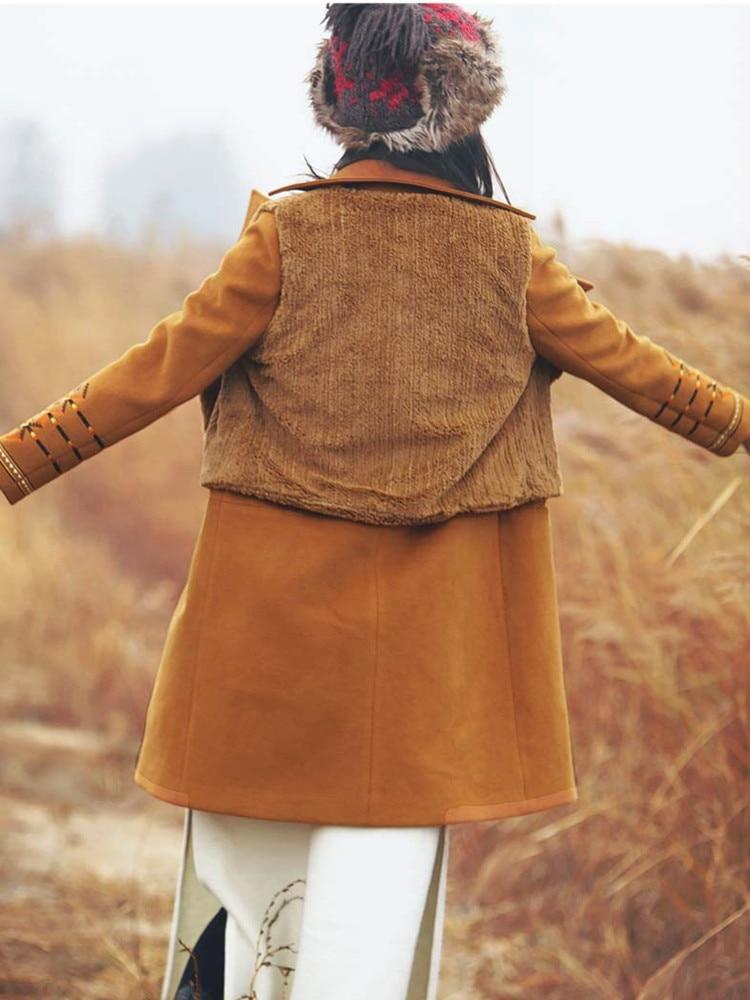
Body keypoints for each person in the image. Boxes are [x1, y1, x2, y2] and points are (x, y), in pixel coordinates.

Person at [2, 4, 749, 999]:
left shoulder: (286, 237)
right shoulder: (512, 258)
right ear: (463, 108)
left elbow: (150, 373)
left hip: (266, 658)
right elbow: (649, 376)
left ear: (340, 102)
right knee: (368, 940)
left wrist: (16, 463)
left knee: (252, 925)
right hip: (430, 682)